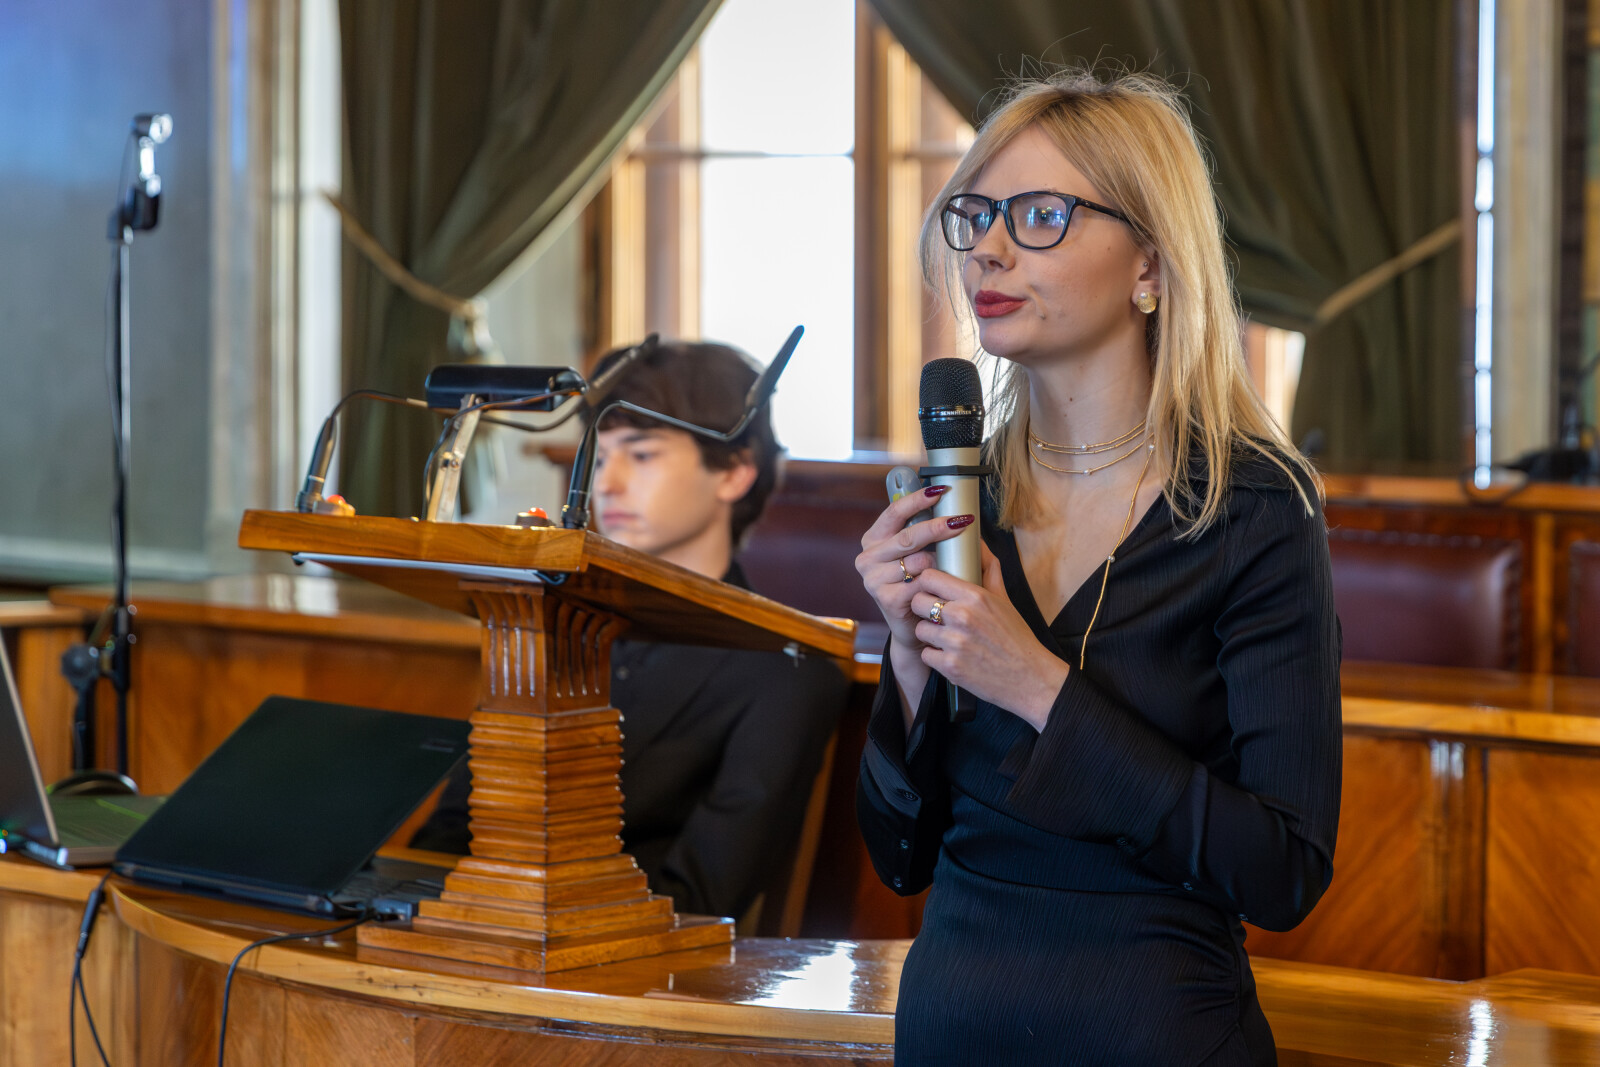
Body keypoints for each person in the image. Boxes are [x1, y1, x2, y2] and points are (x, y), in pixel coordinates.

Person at [855, 68, 1341, 1065]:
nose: (988, 249)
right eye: (976, 214)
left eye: (1041, 215)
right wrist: (906, 657)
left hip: (1152, 1029)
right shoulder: (961, 500)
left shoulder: (1254, 508)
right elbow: (900, 858)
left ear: (1150, 265)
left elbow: (1283, 871)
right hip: (948, 1025)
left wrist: (1035, 686)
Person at [415, 340, 849, 923]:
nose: (609, 484)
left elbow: (701, 902)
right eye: (599, 459)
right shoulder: (549, 628)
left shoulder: (785, 672)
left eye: (641, 455)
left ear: (734, 472)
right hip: (462, 930)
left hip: (626, 956)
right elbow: (448, 836)